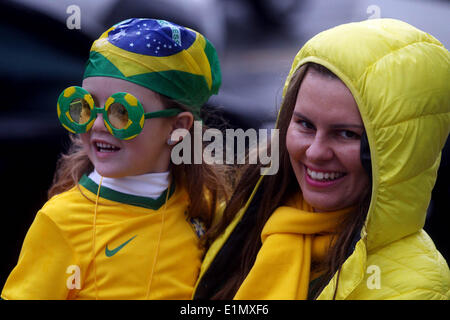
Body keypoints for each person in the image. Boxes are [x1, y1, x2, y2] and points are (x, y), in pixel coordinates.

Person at [193, 18, 450, 300]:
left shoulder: (417, 286)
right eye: (305, 125)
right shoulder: (240, 212)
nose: (315, 152)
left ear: (398, 150)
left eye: (345, 134)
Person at [1, 18, 229, 300]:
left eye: (121, 112)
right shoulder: (61, 221)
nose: (97, 125)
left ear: (178, 128)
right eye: (85, 106)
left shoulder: (206, 207)